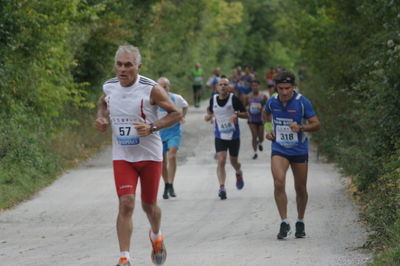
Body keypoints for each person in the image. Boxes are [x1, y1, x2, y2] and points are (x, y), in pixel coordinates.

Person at [95, 45, 181, 266]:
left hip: (150, 156)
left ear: (138, 67)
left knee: (148, 206)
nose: (122, 69)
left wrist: (152, 127)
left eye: (128, 65)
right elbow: (103, 102)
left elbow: (175, 113)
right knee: (126, 204)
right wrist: (102, 118)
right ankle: (125, 258)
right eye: (119, 64)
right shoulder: (110, 86)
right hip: (123, 156)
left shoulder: (150, 88)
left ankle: (156, 235)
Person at [263, 71, 320, 240]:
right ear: (276, 88)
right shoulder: (272, 101)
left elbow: (316, 124)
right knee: (278, 182)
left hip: (299, 149)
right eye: (281, 88)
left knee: (300, 188)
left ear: (293, 87)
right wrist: (268, 130)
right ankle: (284, 222)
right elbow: (265, 114)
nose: (284, 92)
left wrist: (301, 127)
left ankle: (300, 220)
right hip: (279, 148)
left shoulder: (303, 102)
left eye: (288, 88)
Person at [204, 77, 248, 200]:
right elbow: (210, 110)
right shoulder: (213, 99)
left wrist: (237, 114)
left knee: (234, 161)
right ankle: (222, 187)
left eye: (225, 84)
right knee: (221, 159)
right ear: (216, 87)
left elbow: (246, 114)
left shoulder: (234, 99)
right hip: (220, 135)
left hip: (233, 136)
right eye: (220, 84)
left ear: (229, 87)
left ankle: (238, 172)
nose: (223, 86)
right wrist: (209, 116)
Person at [157, 77, 188, 199]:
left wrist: (181, 116)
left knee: (172, 155)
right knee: (162, 162)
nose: (163, 88)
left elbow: (185, 106)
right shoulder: (154, 100)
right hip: (159, 133)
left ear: (169, 87)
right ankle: (167, 185)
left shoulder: (176, 98)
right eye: (161, 86)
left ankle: (170, 183)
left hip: (174, 131)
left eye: (165, 86)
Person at [244, 80, 268, 159]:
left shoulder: (263, 96)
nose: (255, 87)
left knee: (261, 137)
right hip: (251, 119)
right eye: (253, 86)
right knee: (254, 135)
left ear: (259, 86)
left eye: (256, 85)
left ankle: (259, 142)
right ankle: (255, 152)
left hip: (260, 118)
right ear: (251, 87)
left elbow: (267, 107)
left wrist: (262, 108)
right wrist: (247, 109)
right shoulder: (248, 96)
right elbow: (244, 107)